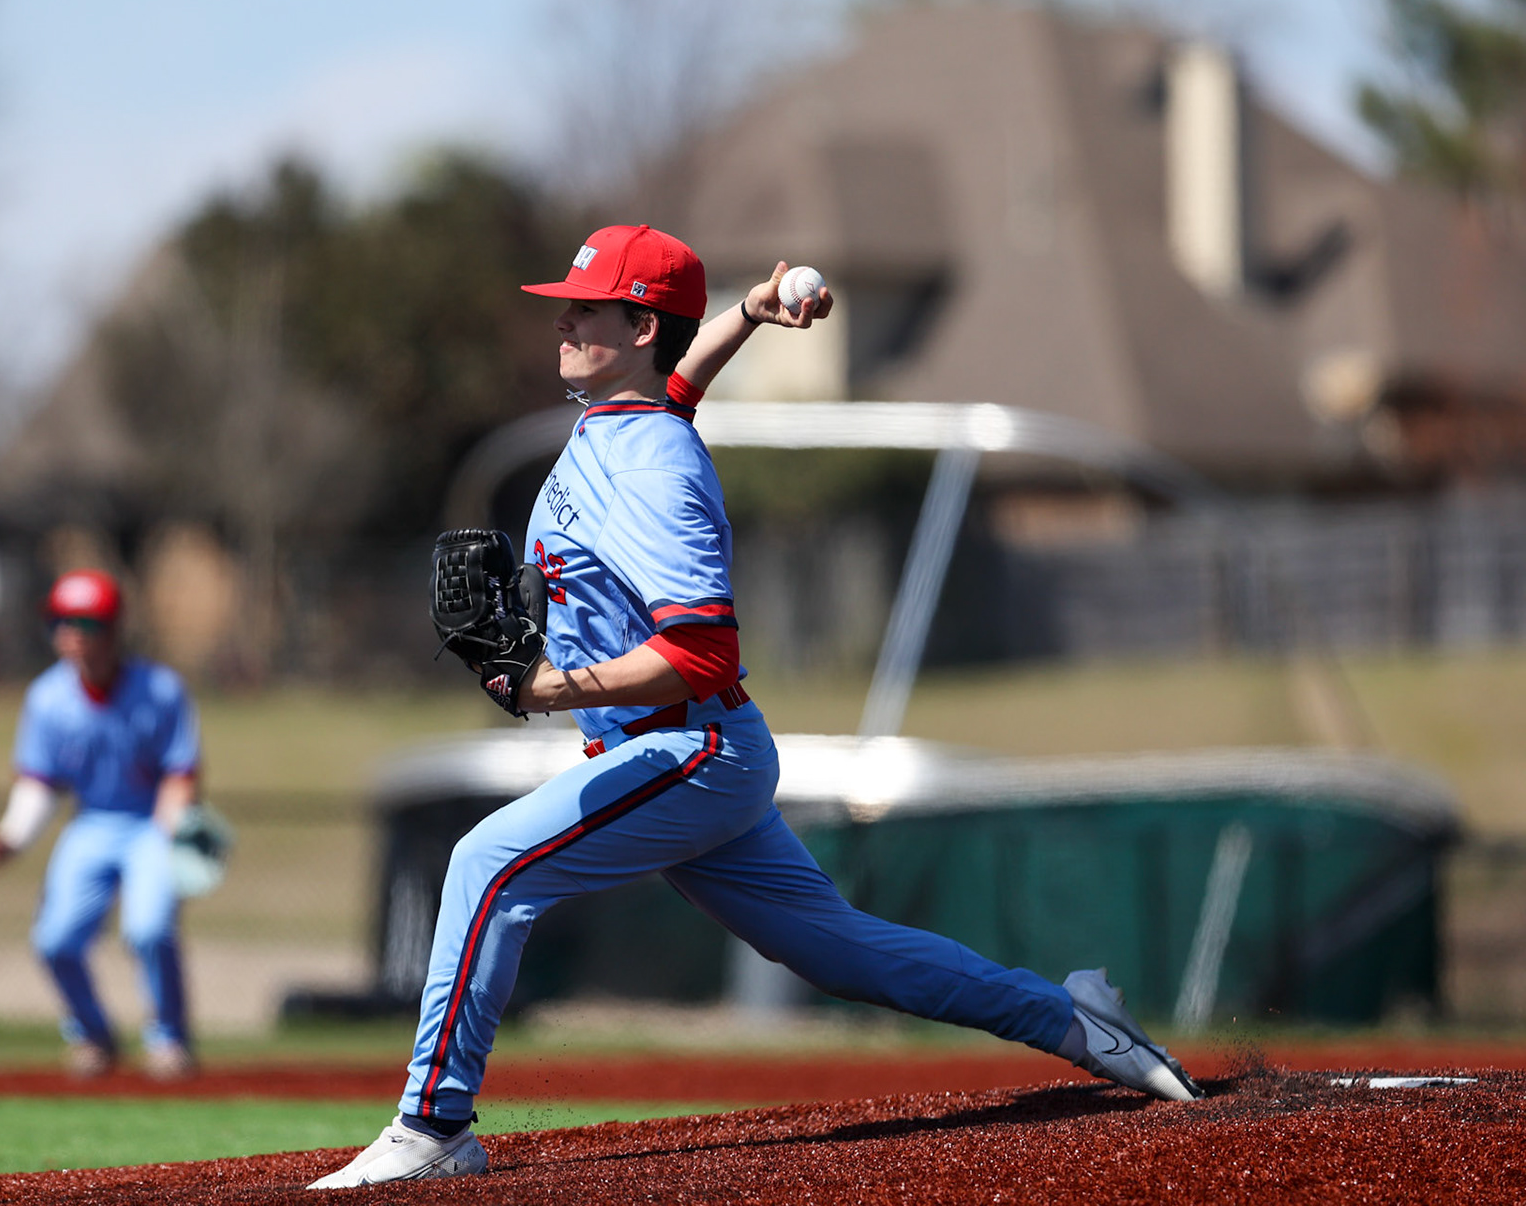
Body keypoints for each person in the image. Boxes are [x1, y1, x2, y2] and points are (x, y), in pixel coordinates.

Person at [309, 225, 1201, 1190]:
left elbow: (702, 652)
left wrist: (545, 689)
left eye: (586, 310)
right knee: (848, 956)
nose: (562, 324)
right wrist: (748, 314)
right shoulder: (630, 414)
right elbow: (677, 381)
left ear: (638, 327)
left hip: (687, 753)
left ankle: (434, 1125)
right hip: (681, 752)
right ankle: (1072, 1018)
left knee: (487, 866)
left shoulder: (653, 466)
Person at [0, 569, 202, 1082]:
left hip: (149, 825)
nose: (72, 632)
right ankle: (93, 1035)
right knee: (54, 941)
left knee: (149, 930)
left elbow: (180, 773)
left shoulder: (160, 690)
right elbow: (40, 782)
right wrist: (11, 837)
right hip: (91, 824)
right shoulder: (47, 698)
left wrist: (175, 836)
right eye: (62, 620)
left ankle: (168, 1039)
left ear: (113, 628)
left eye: (86, 621)